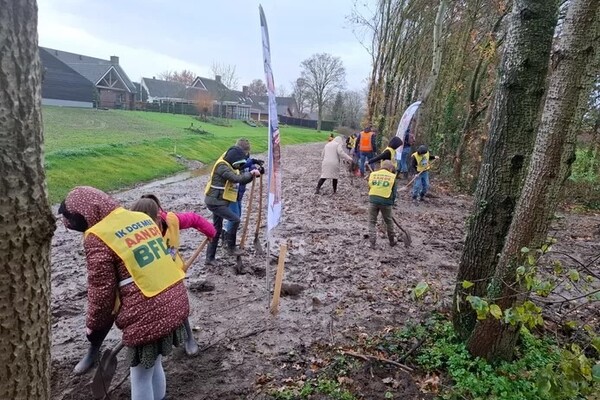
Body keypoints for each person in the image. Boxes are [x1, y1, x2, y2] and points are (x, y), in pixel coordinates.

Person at [59, 186, 188, 400]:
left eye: (69, 219)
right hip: (175, 301)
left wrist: (94, 327)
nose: (67, 224)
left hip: (148, 312)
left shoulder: (98, 236)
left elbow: (101, 293)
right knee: (154, 365)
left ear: (86, 212)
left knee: (139, 376)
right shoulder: (139, 217)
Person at [131, 195, 217, 355]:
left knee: (178, 303)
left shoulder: (171, 220)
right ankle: (155, 338)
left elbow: (194, 219)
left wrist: (210, 232)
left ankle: (189, 337)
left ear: (157, 217)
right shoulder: (132, 231)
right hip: (148, 275)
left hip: (172, 271)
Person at [204, 146, 260, 265]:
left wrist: (252, 171)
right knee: (235, 219)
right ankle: (231, 247)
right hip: (215, 202)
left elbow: (240, 174)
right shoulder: (222, 166)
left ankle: (209, 258)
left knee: (216, 230)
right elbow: (236, 178)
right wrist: (250, 173)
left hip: (218, 201)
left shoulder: (228, 164)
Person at [223, 138, 264, 244]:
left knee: (238, 215)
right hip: (230, 192)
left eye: (247, 153)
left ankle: (227, 235)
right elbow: (238, 165)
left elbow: (250, 168)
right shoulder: (231, 157)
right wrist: (251, 161)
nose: (245, 155)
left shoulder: (247, 158)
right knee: (234, 217)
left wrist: (258, 170)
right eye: (244, 153)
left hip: (239, 193)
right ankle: (228, 241)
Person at [368, 160, 398, 249]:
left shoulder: (373, 174)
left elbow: (369, 186)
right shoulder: (392, 177)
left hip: (373, 199)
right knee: (389, 221)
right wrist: (391, 203)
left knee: (372, 221)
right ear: (391, 168)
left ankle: (372, 242)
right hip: (386, 201)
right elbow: (394, 192)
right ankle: (392, 241)